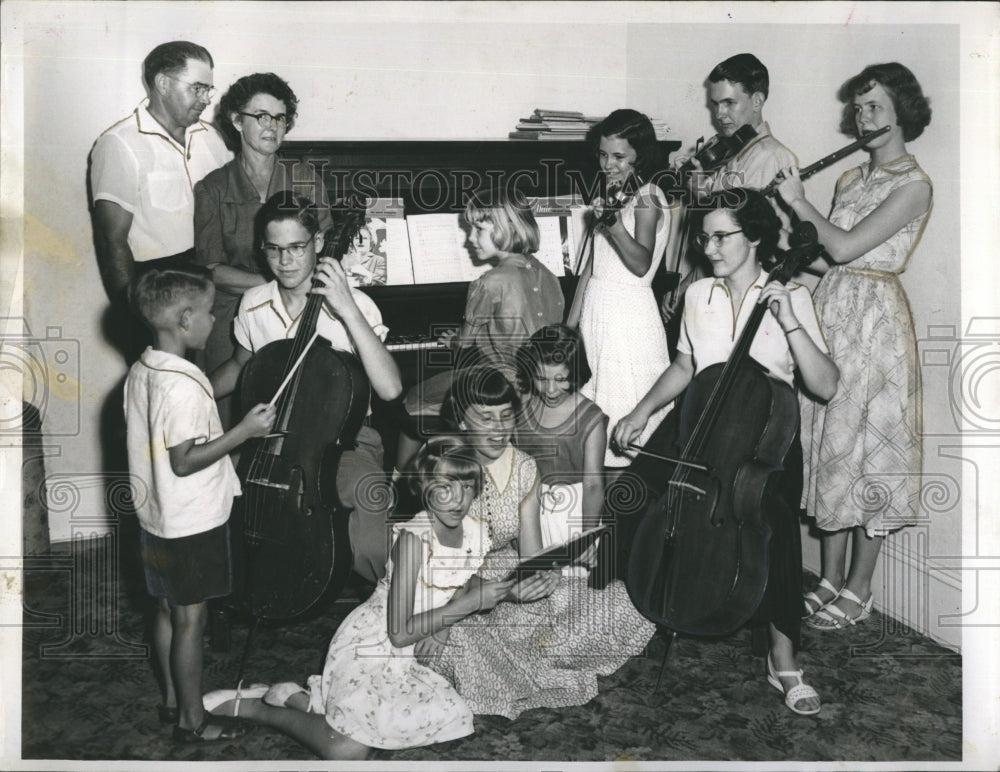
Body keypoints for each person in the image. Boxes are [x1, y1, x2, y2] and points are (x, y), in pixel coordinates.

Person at [610, 189, 839, 715]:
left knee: (775, 527)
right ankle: (650, 607)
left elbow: (825, 385)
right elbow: (686, 368)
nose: (708, 247)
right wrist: (640, 412)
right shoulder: (698, 296)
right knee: (629, 494)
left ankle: (783, 657)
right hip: (700, 426)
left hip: (764, 443)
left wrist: (789, 320)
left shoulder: (792, 296)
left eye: (721, 236)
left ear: (754, 237)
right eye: (704, 236)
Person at [202, 436, 514, 759]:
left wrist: (452, 620)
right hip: (374, 644)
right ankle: (256, 706)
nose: (458, 498)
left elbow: (461, 579)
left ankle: (305, 701)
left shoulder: (476, 531)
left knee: (453, 718)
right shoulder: (414, 540)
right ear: (424, 487)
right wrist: (466, 606)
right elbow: (399, 632)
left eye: (466, 485)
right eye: (445, 485)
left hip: (410, 652)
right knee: (347, 750)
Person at [775, 62, 932, 630]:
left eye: (875, 108)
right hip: (833, 311)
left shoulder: (915, 186)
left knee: (869, 455)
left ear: (902, 114)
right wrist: (780, 240)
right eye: (859, 108)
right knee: (829, 447)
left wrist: (798, 203)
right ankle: (829, 577)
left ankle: (860, 588)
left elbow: (843, 247)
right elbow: (823, 259)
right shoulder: (849, 181)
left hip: (877, 325)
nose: (863, 118)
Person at [425, 366, 655, 720]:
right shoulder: (445, 469)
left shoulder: (524, 466)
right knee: (464, 645)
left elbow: (529, 552)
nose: (499, 428)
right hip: (457, 588)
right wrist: (506, 592)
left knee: (622, 602)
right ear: (461, 421)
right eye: (486, 418)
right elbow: (442, 569)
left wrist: (549, 570)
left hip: (506, 573)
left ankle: (534, 649)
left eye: (505, 416)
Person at [210, 193, 402, 584]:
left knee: (372, 542)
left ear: (317, 243)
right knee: (214, 509)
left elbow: (390, 389)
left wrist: (346, 308)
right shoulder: (252, 304)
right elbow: (239, 366)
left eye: (296, 247)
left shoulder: (357, 305)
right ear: (262, 250)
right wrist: (186, 390)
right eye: (275, 250)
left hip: (345, 443)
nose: (285, 261)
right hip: (269, 440)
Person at [124, 267, 276, 742]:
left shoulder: (143, 369)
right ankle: (194, 720)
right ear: (186, 319)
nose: (216, 319)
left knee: (167, 611)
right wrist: (243, 433)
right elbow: (185, 461)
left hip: (156, 517)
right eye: (210, 312)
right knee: (193, 618)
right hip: (190, 521)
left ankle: (173, 699)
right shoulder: (184, 385)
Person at [194, 72, 330, 427]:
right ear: (237, 121)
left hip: (300, 306)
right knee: (229, 420)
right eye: (261, 116)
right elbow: (212, 270)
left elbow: (324, 251)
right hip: (230, 312)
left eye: (280, 117)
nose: (272, 126)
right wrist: (272, 285)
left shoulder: (305, 179)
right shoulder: (213, 188)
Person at [398, 188, 564, 467]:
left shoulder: (488, 282)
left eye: (478, 229)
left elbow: (464, 342)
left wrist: (453, 341)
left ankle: (404, 484)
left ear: (506, 228)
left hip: (501, 383)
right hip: (540, 386)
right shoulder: (550, 276)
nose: (470, 239)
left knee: (411, 399)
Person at [91, 41, 231, 360]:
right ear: (163, 84)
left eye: (209, 89)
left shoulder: (210, 138)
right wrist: (134, 319)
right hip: (161, 292)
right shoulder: (119, 144)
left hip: (216, 286)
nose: (206, 99)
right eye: (197, 88)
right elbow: (112, 241)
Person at [565, 108, 675, 468]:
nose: (607, 164)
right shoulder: (616, 193)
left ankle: (622, 516)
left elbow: (641, 263)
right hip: (600, 318)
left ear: (639, 155)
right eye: (602, 154)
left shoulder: (648, 196)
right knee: (598, 425)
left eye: (618, 156)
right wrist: (568, 328)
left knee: (624, 434)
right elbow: (591, 269)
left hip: (628, 323)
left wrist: (612, 226)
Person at [662, 53, 798, 325]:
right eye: (715, 104)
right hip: (718, 286)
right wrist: (689, 283)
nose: (719, 114)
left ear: (757, 101)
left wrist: (700, 195)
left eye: (729, 103)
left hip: (744, 296)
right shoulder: (731, 153)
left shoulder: (769, 157)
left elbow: (743, 239)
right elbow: (716, 241)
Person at [512, 324, 608, 576]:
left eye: (561, 379)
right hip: (529, 511)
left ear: (575, 374)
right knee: (534, 581)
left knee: (572, 586)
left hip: (575, 517)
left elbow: (593, 485)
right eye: (541, 379)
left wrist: (586, 536)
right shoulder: (521, 410)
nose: (551, 390)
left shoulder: (591, 418)